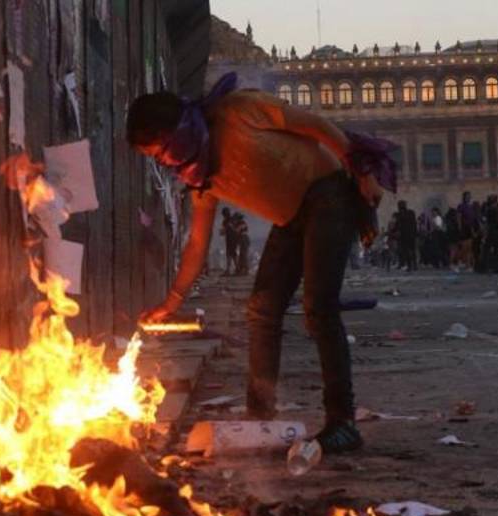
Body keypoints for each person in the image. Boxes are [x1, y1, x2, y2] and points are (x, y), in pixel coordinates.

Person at [130, 72, 394, 453]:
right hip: (291, 217)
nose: (164, 163)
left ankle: (343, 422)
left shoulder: (239, 110)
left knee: (319, 308)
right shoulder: (201, 178)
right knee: (262, 309)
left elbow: (316, 125)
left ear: (176, 132)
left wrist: (362, 171)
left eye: (159, 153)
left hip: (330, 193)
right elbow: (198, 243)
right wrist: (171, 303)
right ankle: (259, 417)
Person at [394, 200, 418, 271]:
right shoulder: (411, 213)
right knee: (412, 250)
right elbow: (414, 224)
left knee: (406, 251)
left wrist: (395, 232)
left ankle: (410, 266)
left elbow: (397, 226)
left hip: (404, 236)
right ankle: (414, 265)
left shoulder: (399, 215)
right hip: (411, 235)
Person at [220, 207, 238, 274]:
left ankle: (230, 270)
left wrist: (223, 231)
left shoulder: (226, 221)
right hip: (233, 238)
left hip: (230, 239)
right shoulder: (232, 219)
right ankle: (234, 269)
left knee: (230, 254)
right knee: (232, 254)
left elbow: (223, 232)